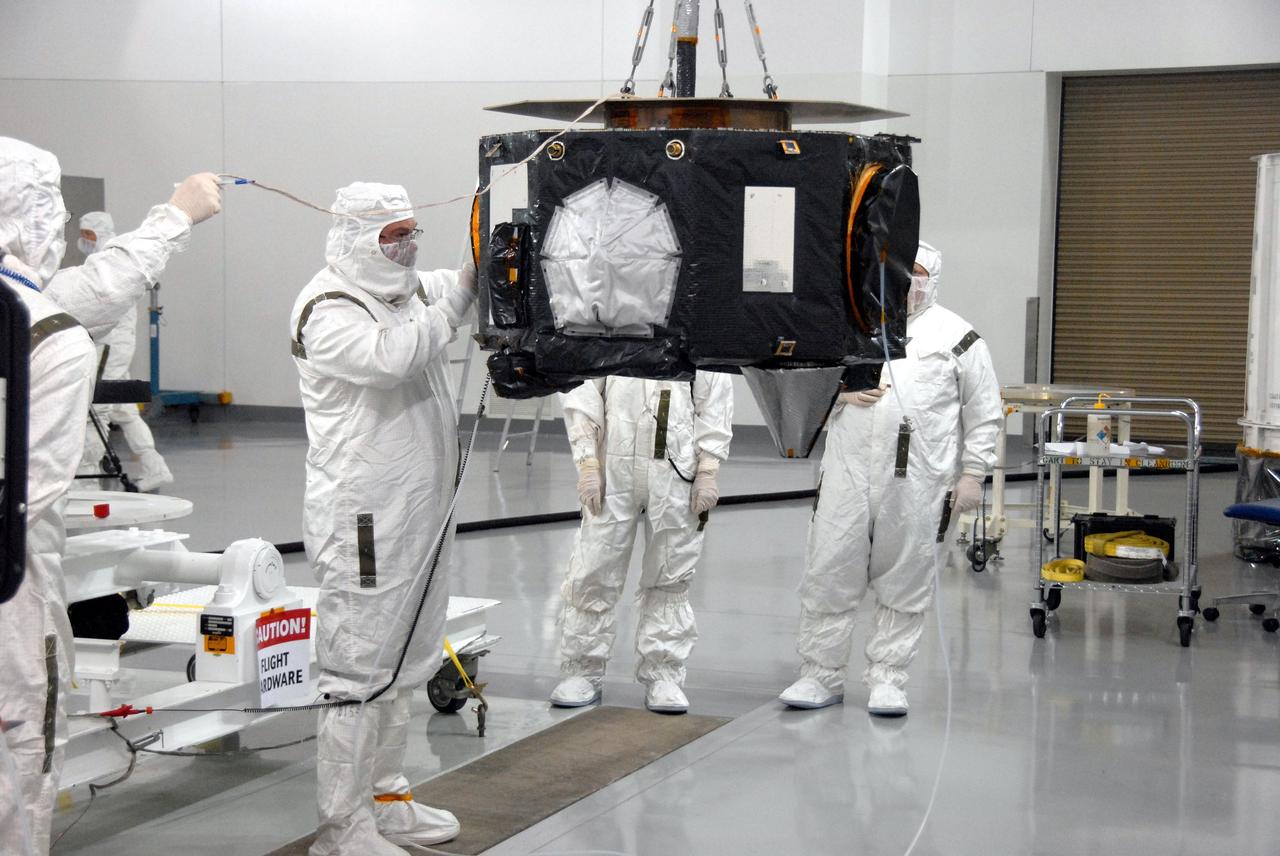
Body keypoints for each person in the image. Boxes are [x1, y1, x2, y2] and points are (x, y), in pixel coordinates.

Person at [0, 135, 221, 856]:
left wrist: (175, 217)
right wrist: (175, 217)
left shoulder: (37, 314)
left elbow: (97, 284)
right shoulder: (44, 334)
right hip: (10, 589)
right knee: (17, 750)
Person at [290, 181, 476, 855]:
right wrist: (453, 303)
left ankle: (386, 797)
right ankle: (342, 829)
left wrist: (483, 252)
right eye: (392, 235)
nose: (406, 247)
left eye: (411, 232)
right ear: (355, 237)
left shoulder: (407, 292)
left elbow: (454, 283)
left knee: (405, 660)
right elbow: (392, 357)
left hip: (420, 511)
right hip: (364, 520)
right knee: (360, 669)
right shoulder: (327, 307)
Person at [779, 241, 1000, 717]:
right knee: (830, 570)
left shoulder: (957, 337)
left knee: (906, 579)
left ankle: (888, 679)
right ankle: (819, 675)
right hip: (847, 473)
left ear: (932, 280)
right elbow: (802, 381)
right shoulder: (852, 325)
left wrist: (974, 473)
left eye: (917, 273)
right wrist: (839, 396)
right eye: (899, 270)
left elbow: (983, 412)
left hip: (918, 483)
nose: (907, 282)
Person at [551, 373, 733, 714]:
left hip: (676, 466)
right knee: (595, 566)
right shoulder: (615, 319)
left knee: (670, 570)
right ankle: (582, 668)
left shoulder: (696, 320)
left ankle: (664, 673)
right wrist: (588, 460)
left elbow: (715, 392)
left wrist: (709, 466)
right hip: (613, 463)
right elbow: (583, 387)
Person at [75, 211, 173, 492]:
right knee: (124, 410)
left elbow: (102, 302)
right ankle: (155, 467)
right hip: (113, 341)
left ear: (100, 232)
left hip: (109, 342)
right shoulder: (107, 255)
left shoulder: (109, 258)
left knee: (98, 407)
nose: (83, 239)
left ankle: (88, 479)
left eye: (88, 234)